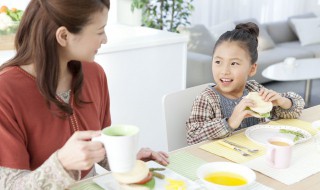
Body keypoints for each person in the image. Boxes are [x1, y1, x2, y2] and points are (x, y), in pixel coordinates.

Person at [0, 0, 169, 189]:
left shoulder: (95, 74)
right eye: (99, 31)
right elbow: (11, 185)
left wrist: (125, 160)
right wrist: (61, 164)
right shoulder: (5, 92)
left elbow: (99, 146)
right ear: (63, 36)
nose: (105, 39)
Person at [186, 22, 305, 145]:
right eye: (218, 62)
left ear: (252, 69)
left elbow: (298, 106)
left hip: (256, 154)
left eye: (234, 63)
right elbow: (193, 137)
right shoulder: (207, 98)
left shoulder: (254, 89)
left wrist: (283, 102)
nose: (224, 71)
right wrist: (230, 122)